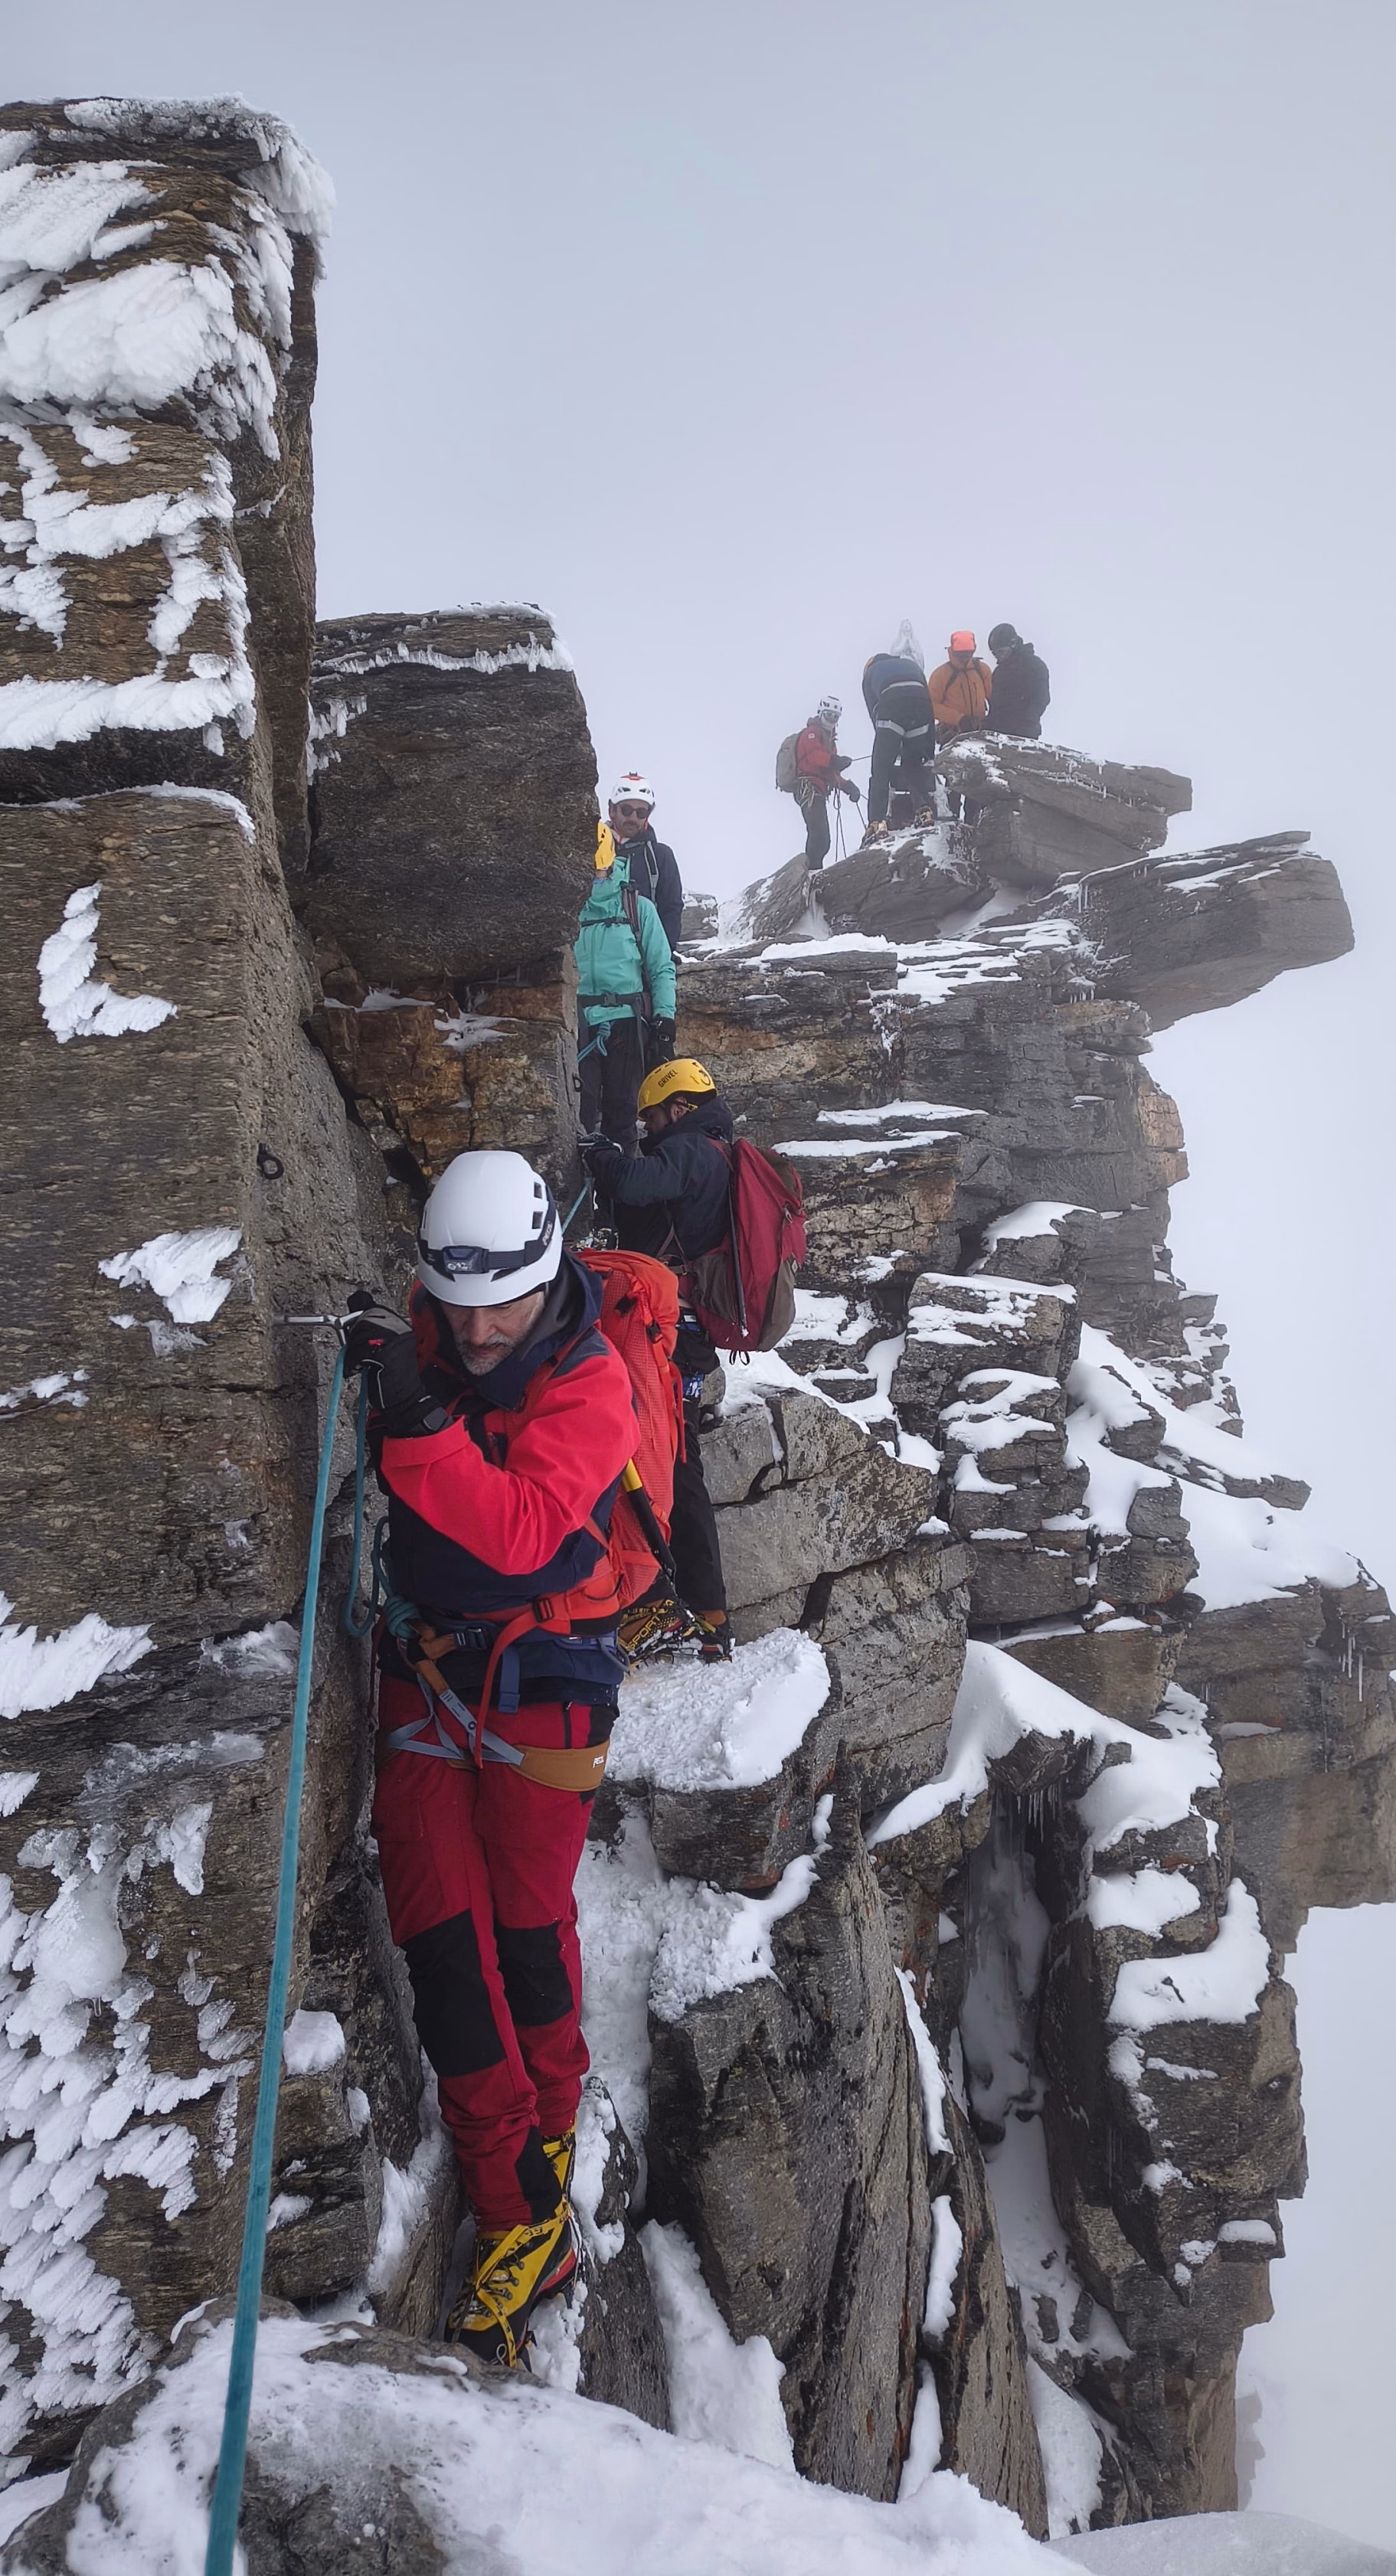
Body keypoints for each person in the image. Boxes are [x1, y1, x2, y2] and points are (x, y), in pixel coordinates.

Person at [342, 1150, 639, 2365]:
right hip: (425, 1673)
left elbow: (523, 1533)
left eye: (500, 1303)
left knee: (526, 1926)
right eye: (455, 1302)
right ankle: (523, 2201)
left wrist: (413, 1416)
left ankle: (552, 2123)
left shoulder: (593, 1382)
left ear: (547, 1270)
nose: (474, 1328)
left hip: (546, 1680)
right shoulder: (429, 1330)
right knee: (443, 1948)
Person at [584, 1057, 734, 1663]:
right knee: (672, 1457)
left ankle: (677, 1600)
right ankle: (701, 1607)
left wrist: (602, 1157)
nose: (648, 1131)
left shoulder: (695, 1149)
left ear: (679, 1108)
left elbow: (632, 1184)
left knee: (668, 1461)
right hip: (685, 1334)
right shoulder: (718, 1149)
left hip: (674, 1338)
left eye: (652, 1120)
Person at [574, 840, 677, 1152]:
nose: (596, 876)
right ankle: (581, 1195)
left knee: (621, 1117)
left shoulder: (637, 907)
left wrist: (664, 1021)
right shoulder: (566, 909)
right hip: (579, 1024)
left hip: (625, 1026)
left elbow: (661, 967)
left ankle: (617, 1198)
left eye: (599, 869)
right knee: (579, 1114)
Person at [861, 640, 936, 835]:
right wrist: (928, 750)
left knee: (881, 769)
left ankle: (877, 823)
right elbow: (928, 704)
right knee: (913, 766)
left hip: (891, 706)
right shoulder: (911, 665)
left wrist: (889, 745)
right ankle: (924, 811)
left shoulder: (870, 673)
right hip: (920, 707)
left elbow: (875, 712)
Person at [606, 773, 684, 951]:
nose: (633, 818)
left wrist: (663, 956)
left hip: (642, 958)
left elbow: (671, 909)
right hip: (595, 959)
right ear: (612, 810)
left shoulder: (660, 856)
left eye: (641, 812)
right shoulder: (591, 850)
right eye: (626, 810)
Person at [790, 697, 861, 870]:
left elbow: (831, 773)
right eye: (829, 715)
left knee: (822, 838)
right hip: (809, 787)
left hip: (817, 788)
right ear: (821, 713)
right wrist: (834, 761)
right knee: (819, 835)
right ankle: (810, 873)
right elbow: (815, 757)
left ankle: (813, 870)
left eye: (835, 717)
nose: (831, 720)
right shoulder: (812, 733)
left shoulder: (829, 741)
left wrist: (847, 786)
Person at [983, 626, 1051, 739]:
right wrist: (989, 723)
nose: (998, 656)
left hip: (1024, 733)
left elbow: (1041, 698)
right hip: (999, 734)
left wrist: (1028, 722)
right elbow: (995, 704)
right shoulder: (999, 672)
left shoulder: (1034, 665)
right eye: (994, 653)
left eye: (1001, 651)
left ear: (1013, 645)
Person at [928, 632, 993, 742]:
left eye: (968, 654)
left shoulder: (982, 670)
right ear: (953, 651)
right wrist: (959, 719)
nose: (965, 658)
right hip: (951, 731)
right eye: (961, 655)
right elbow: (931, 706)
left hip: (980, 729)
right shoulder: (941, 674)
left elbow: (994, 698)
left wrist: (993, 718)